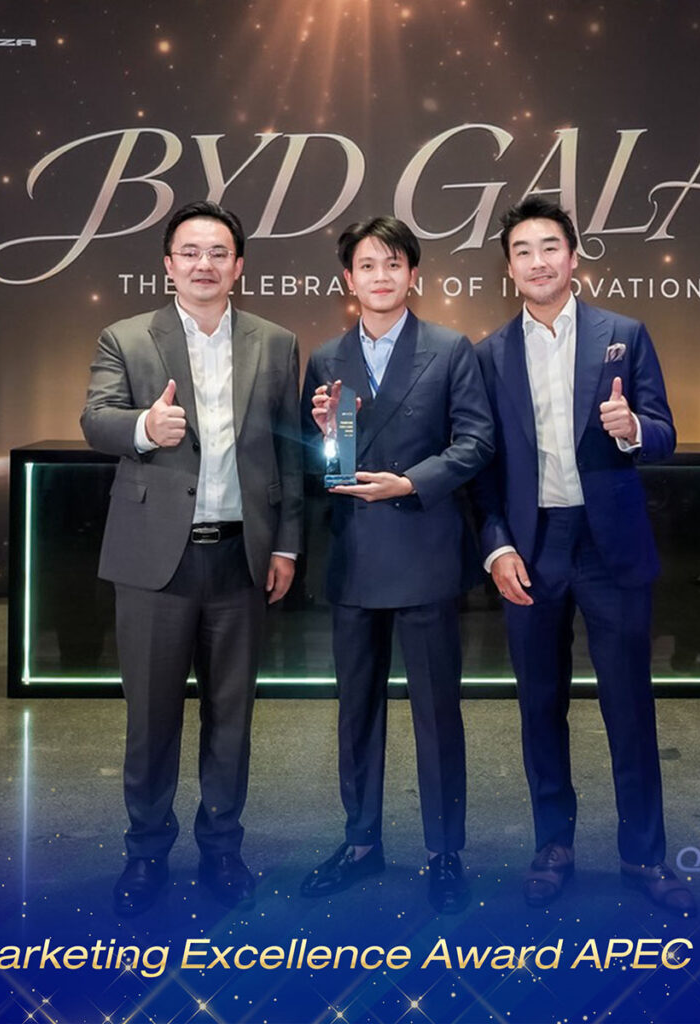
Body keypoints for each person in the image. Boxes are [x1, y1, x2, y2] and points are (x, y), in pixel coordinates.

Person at [471, 195, 695, 915]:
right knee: (540, 706)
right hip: (532, 547)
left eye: (549, 247)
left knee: (629, 706)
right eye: (522, 251)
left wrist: (632, 428)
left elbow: (664, 433)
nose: (537, 261)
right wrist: (498, 546)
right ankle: (553, 848)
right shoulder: (489, 354)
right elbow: (483, 467)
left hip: (609, 548)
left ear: (573, 257)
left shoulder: (623, 334)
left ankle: (645, 856)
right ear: (509, 269)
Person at [81, 200, 302, 916]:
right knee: (151, 721)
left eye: (218, 253)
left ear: (239, 267)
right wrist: (145, 427)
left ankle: (222, 849)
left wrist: (287, 542)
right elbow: (96, 419)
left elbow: (289, 452)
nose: (204, 264)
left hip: (241, 557)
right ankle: (146, 852)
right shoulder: (126, 337)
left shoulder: (276, 342)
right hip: (156, 563)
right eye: (190, 252)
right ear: (168, 265)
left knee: (231, 720)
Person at [299, 217, 493, 914]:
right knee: (356, 711)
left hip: (425, 550)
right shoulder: (326, 357)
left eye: (392, 263)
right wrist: (326, 440)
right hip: (355, 554)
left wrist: (410, 482)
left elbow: (477, 442)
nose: (379, 276)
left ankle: (445, 852)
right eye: (366, 265)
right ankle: (360, 842)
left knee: (438, 714)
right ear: (347, 279)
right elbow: (325, 466)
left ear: (414, 274)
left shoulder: (450, 349)